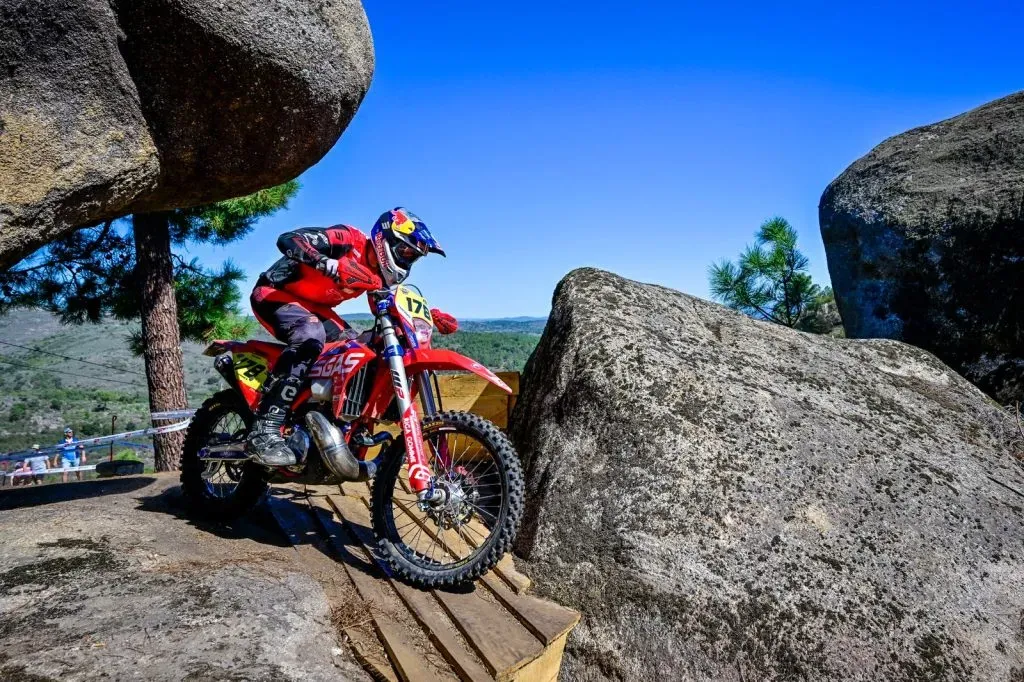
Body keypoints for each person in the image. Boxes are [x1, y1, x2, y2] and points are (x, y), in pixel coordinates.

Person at [247, 208, 459, 466]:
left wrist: (430, 315)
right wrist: (325, 262)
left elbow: (385, 308)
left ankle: (325, 418)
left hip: (315, 309)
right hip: (274, 293)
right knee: (311, 336)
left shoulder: (377, 276)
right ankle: (265, 428)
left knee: (357, 347)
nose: (407, 260)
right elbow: (288, 239)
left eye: (412, 257)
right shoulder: (348, 239)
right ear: (386, 240)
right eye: (405, 252)